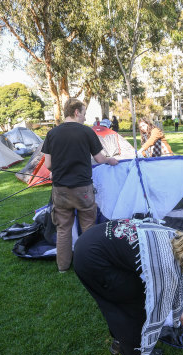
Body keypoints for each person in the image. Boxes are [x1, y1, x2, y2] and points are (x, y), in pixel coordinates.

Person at [74, 219, 183, 355]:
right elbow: (158, 308)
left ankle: (118, 341)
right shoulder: (165, 265)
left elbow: (179, 273)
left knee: (115, 303)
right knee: (137, 308)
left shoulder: (174, 236)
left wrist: (180, 309)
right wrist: (170, 316)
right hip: (93, 261)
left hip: (89, 241)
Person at [41, 98, 119, 272]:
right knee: (89, 228)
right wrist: (110, 160)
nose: (84, 117)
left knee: (63, 229)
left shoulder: (52, 133)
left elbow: (48, 165)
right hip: (82, 189)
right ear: (76, 112)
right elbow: (99, 159)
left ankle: (62, 267)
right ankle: (90, 265)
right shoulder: (87, 132)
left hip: (60, 190)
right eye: (84, 113)